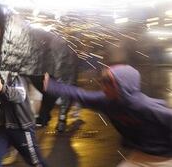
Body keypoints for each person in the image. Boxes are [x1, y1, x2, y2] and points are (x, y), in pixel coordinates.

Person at [44, 64, 172, 166]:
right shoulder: (106, 101)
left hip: (165, 158)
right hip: (141, 154)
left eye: (108, 81)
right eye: (103, 81)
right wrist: (52, 86)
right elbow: (80, 95)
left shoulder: (143, 106)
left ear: (123, 85)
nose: (103, 86)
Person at [0, 72, 46, 167]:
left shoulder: (16, 75)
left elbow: (20, 95)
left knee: (36, 163)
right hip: (2, 127)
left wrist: (2, 88)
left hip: (21, 127)